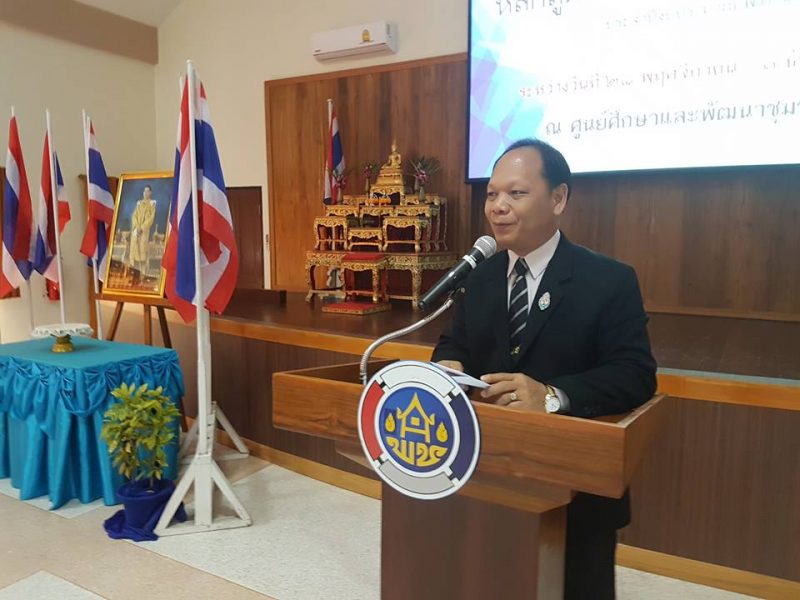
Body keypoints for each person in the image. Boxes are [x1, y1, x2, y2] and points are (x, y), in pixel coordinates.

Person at [431, 138, 657, 599]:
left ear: (558, 198)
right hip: (488, 474)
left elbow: (635, 373)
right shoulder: (480, 276)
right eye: (492, 194)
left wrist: (552, 396)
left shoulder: (608, 279)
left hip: (575, 490)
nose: (498, 207)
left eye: (516, 193)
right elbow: (455, 343)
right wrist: (446, 363)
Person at [128, 185, 157, 278]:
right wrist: (137, 226)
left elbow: (151, 219)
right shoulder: (139, 204)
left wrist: (142, 227)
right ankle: (135, 273)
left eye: (147, 191)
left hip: (144, 231)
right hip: (136, 231)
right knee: (135, 251)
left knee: (142, 252)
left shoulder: (152, 204)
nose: (146, 193)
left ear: (150, 193)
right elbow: (134, 216)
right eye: (144, 191)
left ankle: (143, 273)